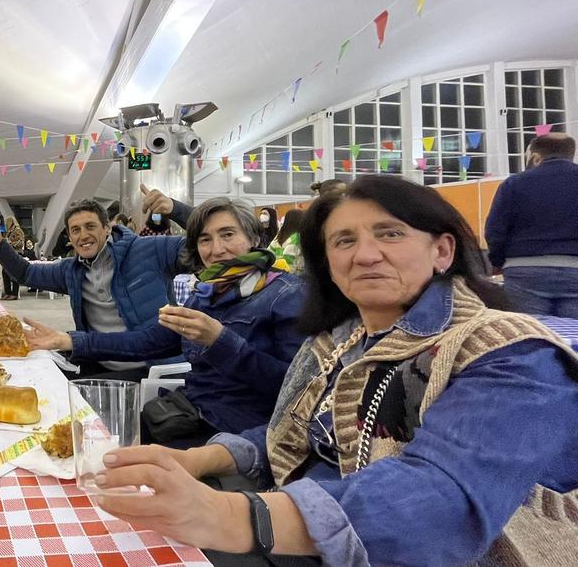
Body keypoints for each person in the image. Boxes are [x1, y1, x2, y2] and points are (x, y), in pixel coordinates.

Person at [89, 175, 578, 566]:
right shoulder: (339, 339)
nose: (365, 254)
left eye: (389, 233)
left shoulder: (509, 352)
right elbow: (295, 430)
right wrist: (198, 461)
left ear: (442, 251)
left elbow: (438, 497)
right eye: (343, 240)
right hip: (291, 507)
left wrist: (233, 516)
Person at [24, 198, 305, 443]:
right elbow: (148, 341)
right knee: (70, 425)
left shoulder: (284, 295)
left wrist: (220, 341)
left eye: (228, 234)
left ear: (255, 238)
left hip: (238, 433)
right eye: (205, 239)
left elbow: (299, 389)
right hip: (184, 413)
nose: (217, 249)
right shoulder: (206, 295)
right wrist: (70, 340)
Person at [0, 198, 190, 378]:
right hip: (98, 362)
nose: (83, 235)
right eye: (76, 230)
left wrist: (176, 209)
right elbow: (26, 273)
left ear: (107, 228)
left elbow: (203, 244)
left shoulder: (149, 250)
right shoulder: (72, 271)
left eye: (90, 226)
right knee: (31, 374)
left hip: (152, 369)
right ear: (70, 238)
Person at [485, 133, 578, 317]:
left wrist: (496, 263)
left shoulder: (514, 183)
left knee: (530, 337)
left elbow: (495, 231)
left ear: (536, 157)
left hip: (524, 271)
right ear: (571, 154)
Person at [269, 208, 306, 274]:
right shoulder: (296, 237)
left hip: (276, 274)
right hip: (292, 277)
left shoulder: (279, 236)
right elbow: (288, 259)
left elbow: (268, 253)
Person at [0, 216, 27, 300]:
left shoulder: (17, 230)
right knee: (5, 273)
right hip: (9, 254)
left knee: (14, 273)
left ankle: (14, 293)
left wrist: (9, 243)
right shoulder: (9, 232)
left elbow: (21, 243)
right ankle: (8, 292)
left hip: (16, 254)